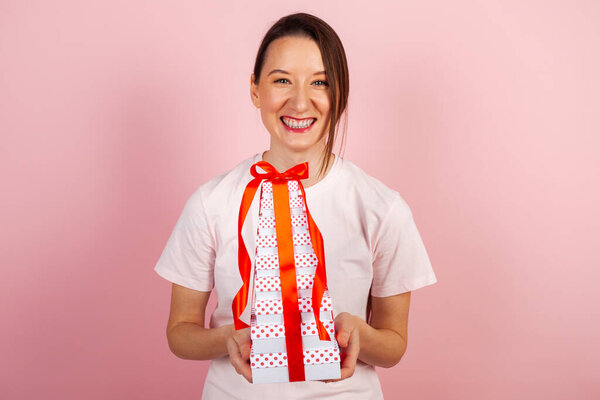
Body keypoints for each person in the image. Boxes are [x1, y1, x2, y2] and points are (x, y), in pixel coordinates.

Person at [154, 12, 437, 399]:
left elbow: (394, 345)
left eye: (319, 82)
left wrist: (359, 334)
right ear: (255, 90)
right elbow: (180, 333)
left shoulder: (382, 208)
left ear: (341, 94)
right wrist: (228, 339)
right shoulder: (211, 203)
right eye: (282, 80)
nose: (300, 102)